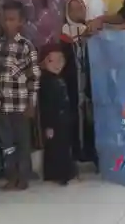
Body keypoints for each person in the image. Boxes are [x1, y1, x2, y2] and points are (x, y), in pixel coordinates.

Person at [0, 0, 40, 190]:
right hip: (3, 105)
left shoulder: (26, 47)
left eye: (12, 19)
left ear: (21, 21)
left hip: (21, 105)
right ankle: (11, 176)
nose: (8, 23)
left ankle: (23, 176)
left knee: (23, 142)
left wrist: (31, 103)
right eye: (5, 20)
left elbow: (34, 77)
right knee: (7, 144)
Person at [61, 0, 98, 169]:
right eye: (72, 9)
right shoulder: (63, 33)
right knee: (73, 117)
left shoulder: (93, 31)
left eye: (80, 8)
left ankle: (90, 152)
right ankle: (76, 152)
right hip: (72, 83)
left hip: (88, 83)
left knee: (90, 117)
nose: (76, 12)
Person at [38, 43, 76, 185]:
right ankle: (58, 173)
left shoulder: (59, 79)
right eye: (52, 61)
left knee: (63, 145)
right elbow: (46, 105)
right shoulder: (46, 81)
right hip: (54, 120)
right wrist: (48, 125)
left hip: (63, 119)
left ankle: (63, 172)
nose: (57, 64)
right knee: (55, 147)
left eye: (60, 60)